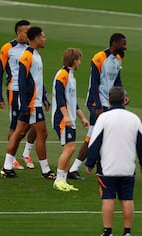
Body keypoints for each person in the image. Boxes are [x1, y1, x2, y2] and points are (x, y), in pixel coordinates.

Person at [86, 86, 142, 236]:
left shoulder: (103, 118)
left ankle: (108, 233)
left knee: (108, 198)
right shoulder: (134, 118)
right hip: (127, 167)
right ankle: (127, 233)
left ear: (109, 100)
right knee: (127, 199)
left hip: (107, 167)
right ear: (124, 100)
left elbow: (94, 143)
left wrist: (90, 162)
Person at [68, 33, 129, 180]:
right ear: (114, 43)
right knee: (93, 135)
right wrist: (98, 106)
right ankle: (75, 168)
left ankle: (98, 167)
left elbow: (117, 80)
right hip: (97, 103)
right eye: (123, 44)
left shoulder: (118, 59)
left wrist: (123, 95)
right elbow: (94, 84)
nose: (125, 47)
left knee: (103, 135)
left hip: (110, 102)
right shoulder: (99, 58)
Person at [0, 27, 56, 179]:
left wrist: (43, 97)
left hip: (34, 101)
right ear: (36, 38)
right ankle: (45, 170)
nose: (45, 39)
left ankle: (6, 167)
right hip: (31, 103)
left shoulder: (36, 55)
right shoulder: (27, 56)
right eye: (43, 37)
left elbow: (37, 80)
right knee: (41, 133)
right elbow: (22, 80)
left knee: (20, 133)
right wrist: (24, 104)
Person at [0, 20, 37, 170]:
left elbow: (35, 72)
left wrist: (43, 92)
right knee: (15, 125)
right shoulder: (8, 48)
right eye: (26, 31)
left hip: (31, 92)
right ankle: (11, 159)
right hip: (14, 91)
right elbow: (0, 72)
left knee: (35, 125)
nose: (29, 34)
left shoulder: (31, 48)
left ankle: (26, 153)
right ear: (18, 32)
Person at [51, 48, 89, 192]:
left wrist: (82, 117)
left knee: (69, 149)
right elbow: (60, 96)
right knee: (70, 148)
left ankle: (63, 180)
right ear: (74, 60)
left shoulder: (71, 76)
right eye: (79, 59)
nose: (80, 62)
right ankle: (59, 180)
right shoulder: (63, 75)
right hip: (63, 118)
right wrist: (66, 115)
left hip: (69, 118)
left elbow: (73, 101)